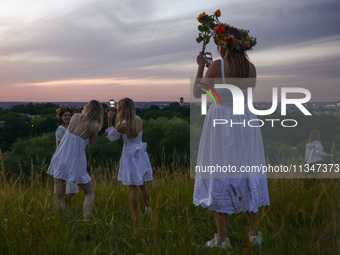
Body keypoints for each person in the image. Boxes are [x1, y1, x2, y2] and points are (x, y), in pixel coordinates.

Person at [192, 24, 270, 249]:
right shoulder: (251, 68)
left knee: (219, 172)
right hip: (245, 122)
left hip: (222, 122)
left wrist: (200, 67)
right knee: (247, 173)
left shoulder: (217, 66)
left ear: (222, 44)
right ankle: (254, 234)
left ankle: (222, 238)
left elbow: (199, 92)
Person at [47, 100, 103, 221]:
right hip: (76, 162)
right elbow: (91, 146)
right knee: (90, 192)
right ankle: (86, 221)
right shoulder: (95, 126)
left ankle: (62, 221)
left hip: (61, 157)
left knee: (60, 195)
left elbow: (69, 135)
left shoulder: (76, 117)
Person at [106, 98, 152, 216]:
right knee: (142, 185)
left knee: (132, 187)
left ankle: (135, 213)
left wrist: (109, 119)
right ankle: (148, 210)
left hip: (130, 155)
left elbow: (112, 136)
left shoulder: (122, 125)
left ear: (121, 109)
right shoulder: (138, 119)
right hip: (140, 153)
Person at [55, 105, 79, 198]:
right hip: (64, 159)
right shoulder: (61, 129)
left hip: (72, 158)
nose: (67, 117)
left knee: (72, 189)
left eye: (69, 115)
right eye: (65, 115)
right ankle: (62, 207)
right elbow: (61, 146)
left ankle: (66, 207)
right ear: (61, 117)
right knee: (65, 187)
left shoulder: (72, 128)